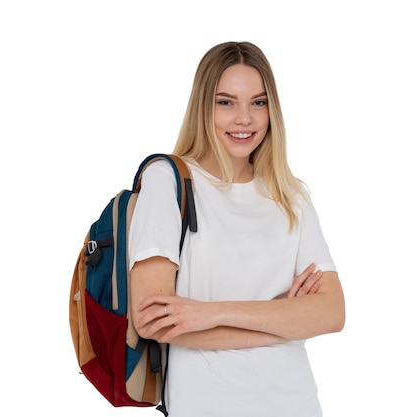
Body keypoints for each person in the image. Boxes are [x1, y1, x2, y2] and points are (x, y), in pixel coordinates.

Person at [128, 41, 345, 417]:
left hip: (294, 403)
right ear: (203, 107)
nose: (244, 118)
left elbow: (332, 312)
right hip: (207, 405)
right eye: (226, 102)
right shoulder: (168, 181)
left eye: (258, 103)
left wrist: (209, 313)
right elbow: (152, 320)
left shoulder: (290, 195)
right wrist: (283, 322)